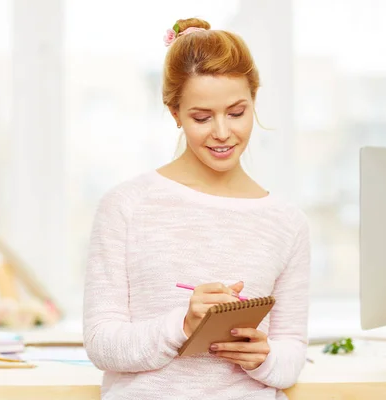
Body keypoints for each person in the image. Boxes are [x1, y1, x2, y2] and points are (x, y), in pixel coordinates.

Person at [83, 17, 310, 400]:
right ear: (175, 113)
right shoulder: (126, 206)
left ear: (254, 100)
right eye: (202, 117)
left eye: (237, 112)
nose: (222, 132)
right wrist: (183, 326)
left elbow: (292, 350)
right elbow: (101, 343)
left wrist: (263, 358)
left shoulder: (287, 222)